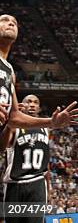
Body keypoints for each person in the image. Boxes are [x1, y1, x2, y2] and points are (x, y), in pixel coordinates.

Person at [0, 14, 78, 134]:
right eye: (4, 20)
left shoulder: (10, 71)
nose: (11, 23)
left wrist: (51, 122)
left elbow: (14, 117)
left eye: (14, 22)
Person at [2, 94, 52, 223]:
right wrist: (10, 122)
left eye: (36, 102)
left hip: (37, 184)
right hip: (14, 184)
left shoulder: (45, 128)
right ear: (20, 106)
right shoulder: (14, 127)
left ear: (39, 108)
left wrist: (49, 186)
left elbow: (46, 161)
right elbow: (1, 147)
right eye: (28, 102)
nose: (32, 104)